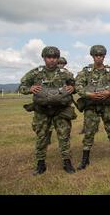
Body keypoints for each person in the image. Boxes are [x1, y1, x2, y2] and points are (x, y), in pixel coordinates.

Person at [19, 46, 76, 175]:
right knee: (41, 137)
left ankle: (67, 163)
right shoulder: (35, 73)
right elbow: (22, 86)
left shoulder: (65, 74)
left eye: (55, 57)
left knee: (64, 137)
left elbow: (76, 85)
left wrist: (73, 88)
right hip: (42, 111)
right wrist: (30, 88)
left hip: (61, 111)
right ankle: (40, 164)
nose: (52, 60)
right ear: (44, 58)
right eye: (49, 57)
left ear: (58, 58)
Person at [75, 45, 110, 170]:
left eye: (101, 56)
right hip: (91, 106)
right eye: (96, 56)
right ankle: (85, 160)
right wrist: (90, 94)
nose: (99, 58)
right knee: (89, 132)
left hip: (107, 106)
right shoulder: (85, 72)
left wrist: (109, 92)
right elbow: (78, 86)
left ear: (104, 56)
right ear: (92, 56)